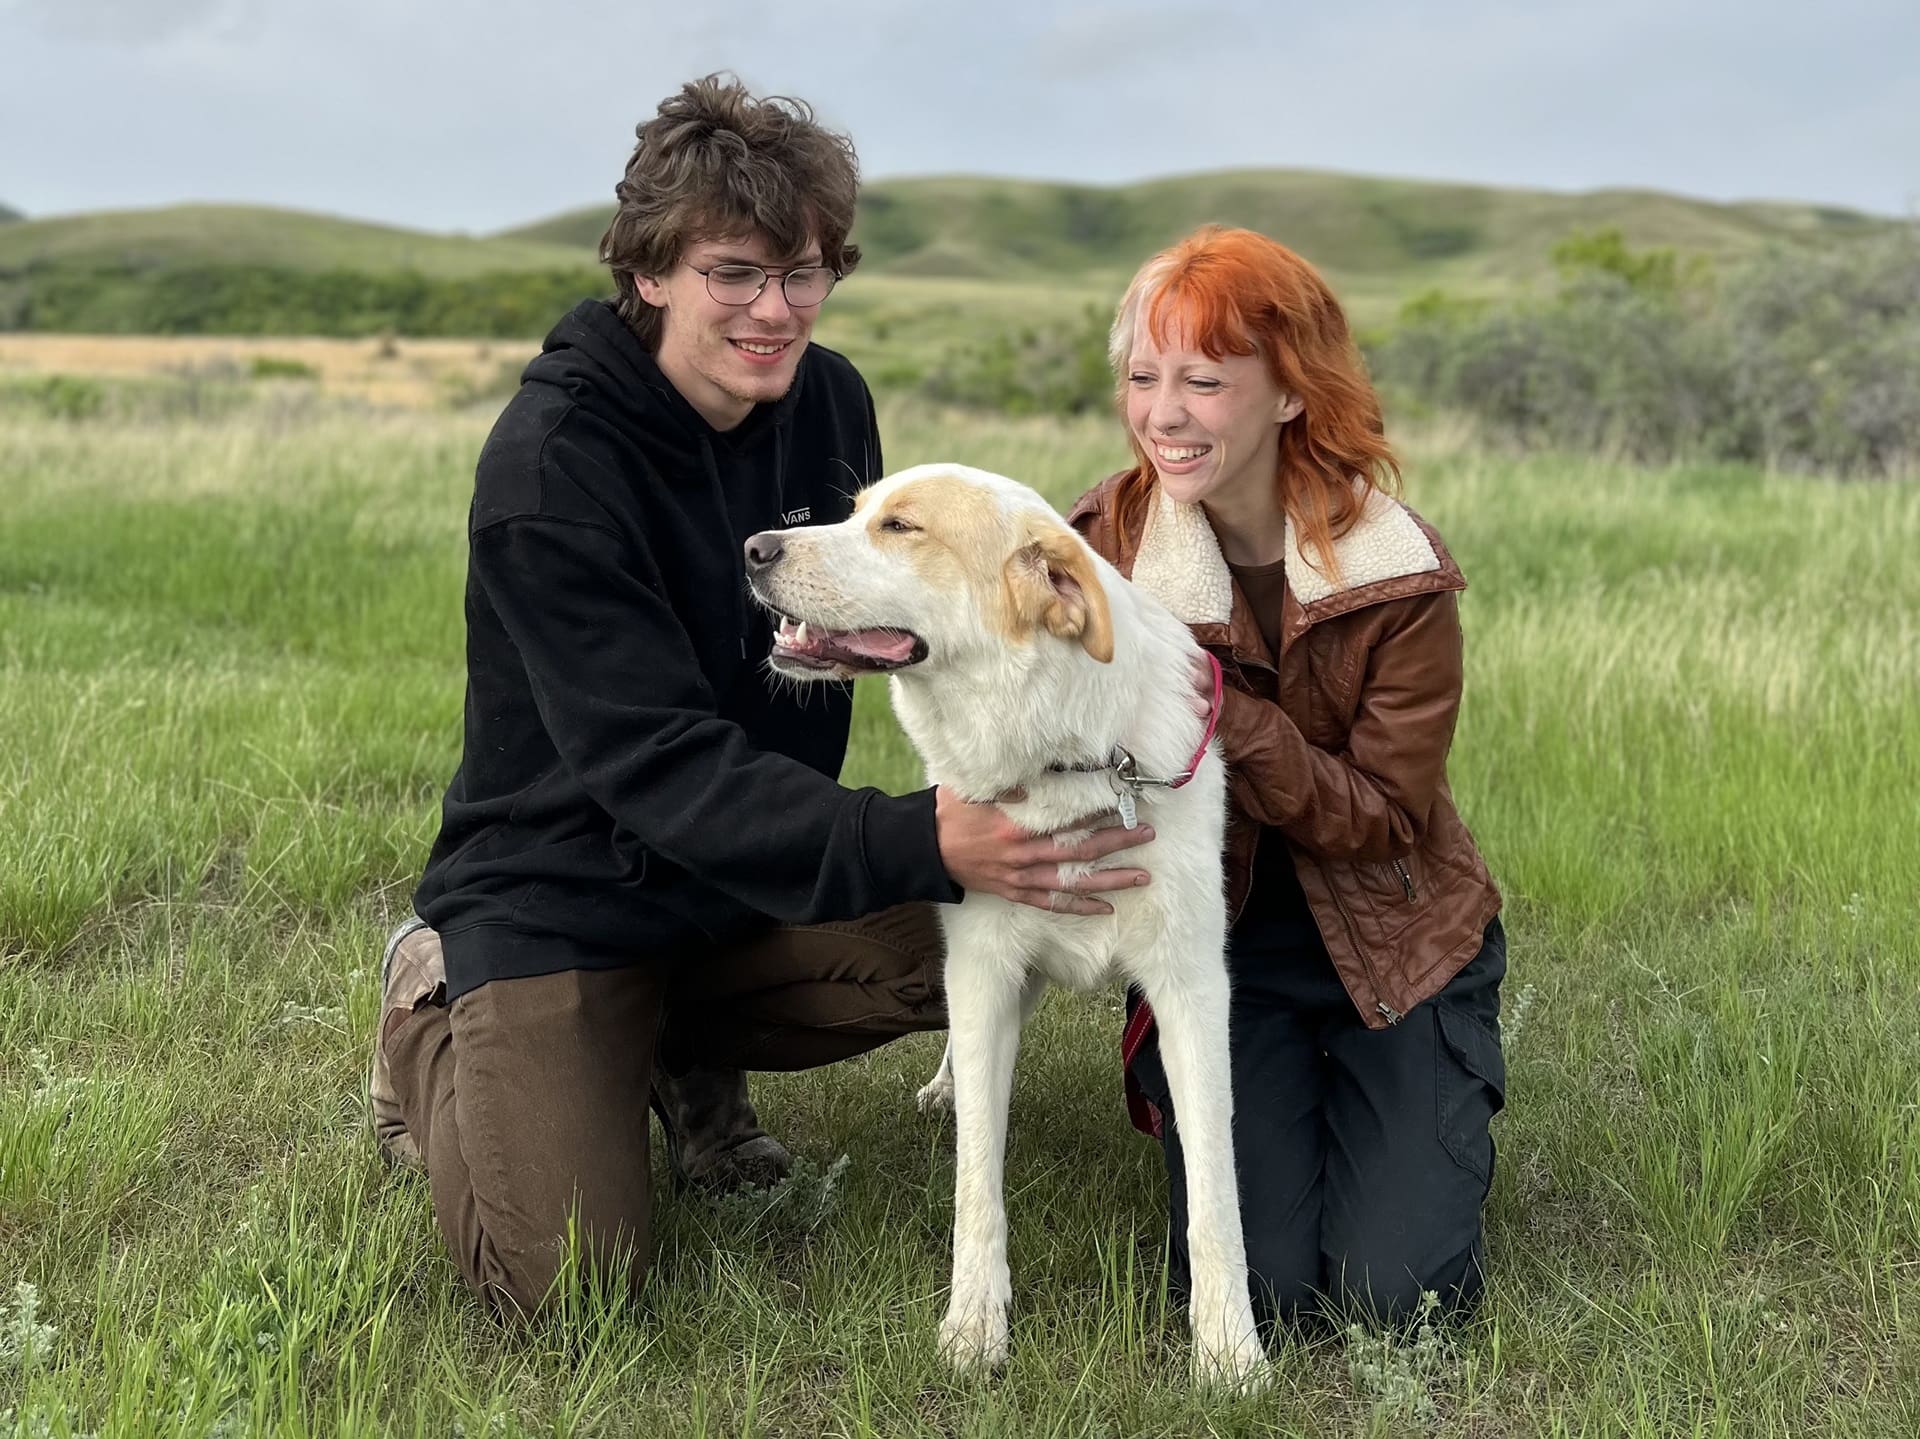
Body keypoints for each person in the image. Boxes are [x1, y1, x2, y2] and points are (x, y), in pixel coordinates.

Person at [366, 74, 1156, 1322]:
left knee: (982, 928)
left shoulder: (828, 401)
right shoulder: (551, 463)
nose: (773, 310)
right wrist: (916, 834)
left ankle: (685, 1047)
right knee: (566, 1287)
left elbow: (902, 630)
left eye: (804, 273)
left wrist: (1030, 776)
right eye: (734, 273)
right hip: (564, 896)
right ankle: (430, 1011)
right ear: (651, 271)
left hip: (735, 886)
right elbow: (654, 765)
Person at [1067, 225, 1507, 1326]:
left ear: (1290, 396)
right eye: (1142, 377)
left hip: (1394, 940)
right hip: (1220, 947)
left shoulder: (1397, 568)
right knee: (1253, 1294)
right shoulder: (1100, 548)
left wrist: (1216, 709)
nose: (1164, 413)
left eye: (1205, 381)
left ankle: (1411, 1096)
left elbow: (1383, 819)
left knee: (1398, 1299)